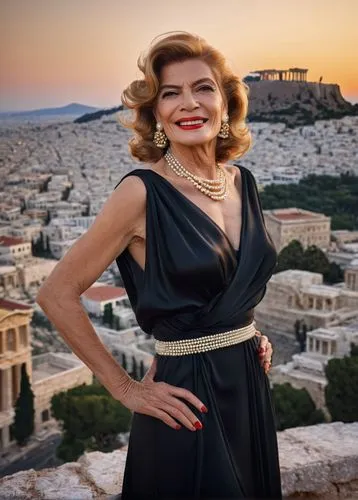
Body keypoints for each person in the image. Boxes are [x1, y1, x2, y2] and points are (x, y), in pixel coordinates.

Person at [36, 31, 282, 500]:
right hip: (185, 399)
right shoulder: (140, 193)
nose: (189, 104)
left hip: (249, 387)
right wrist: (126, 389)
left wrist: (250, 331)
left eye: (203, 88)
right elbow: (56, 294)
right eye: (171, 94)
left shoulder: (242, 182)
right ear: (156, 115)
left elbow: (234, 283)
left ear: (226, 105)